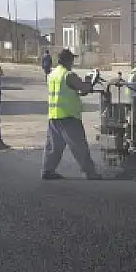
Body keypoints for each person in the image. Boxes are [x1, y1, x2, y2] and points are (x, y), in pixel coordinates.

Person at [42, 48, 102, 180]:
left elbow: (69, 91)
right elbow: (84, 88)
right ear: (68, 61)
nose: (73, 62)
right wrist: (89, 79)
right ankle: (90, 173)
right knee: (80, 147)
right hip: (69, 118)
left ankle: (47, 170)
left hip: (54, 117)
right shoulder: (68, 75)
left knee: (53, 147)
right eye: (72, 60)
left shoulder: (52, 75)